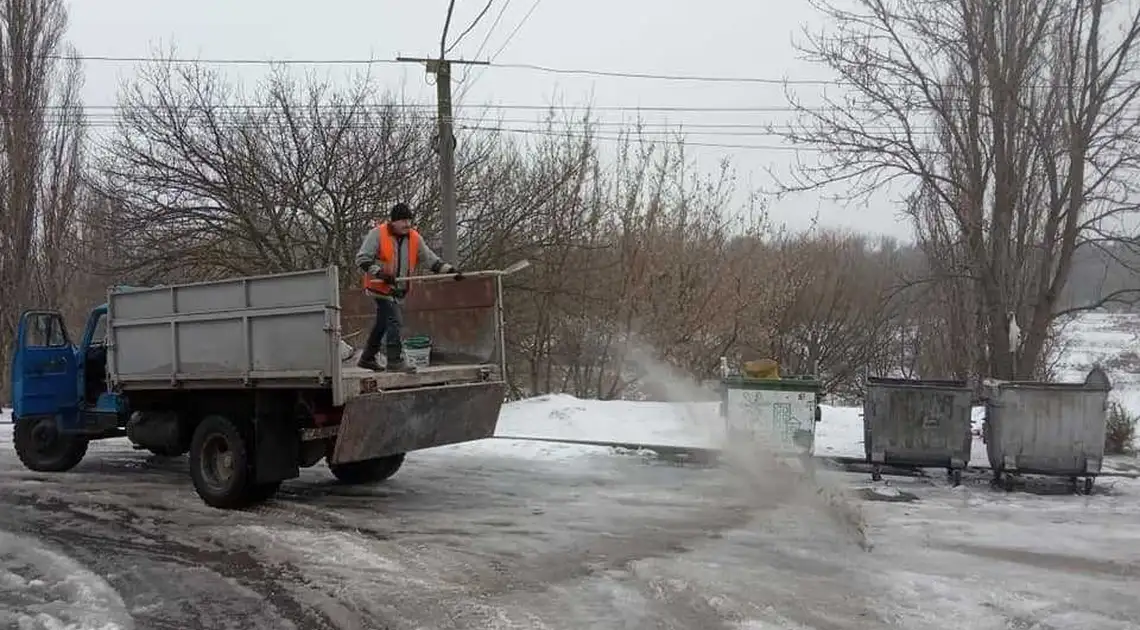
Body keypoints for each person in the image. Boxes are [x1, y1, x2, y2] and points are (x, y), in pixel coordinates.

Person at [354, 202, 463, 371]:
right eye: (403, 221)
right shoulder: (377, 234)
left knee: (382, 323)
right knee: (395, 320)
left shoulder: (414, 238)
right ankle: (395, 361)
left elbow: (431, 260)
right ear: (393, 221)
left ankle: (367, 357)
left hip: (398, 289)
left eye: (409, 220)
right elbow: (362, 259)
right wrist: (380, 273)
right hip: (380, 288)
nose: (407, 224)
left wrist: (451, 271)